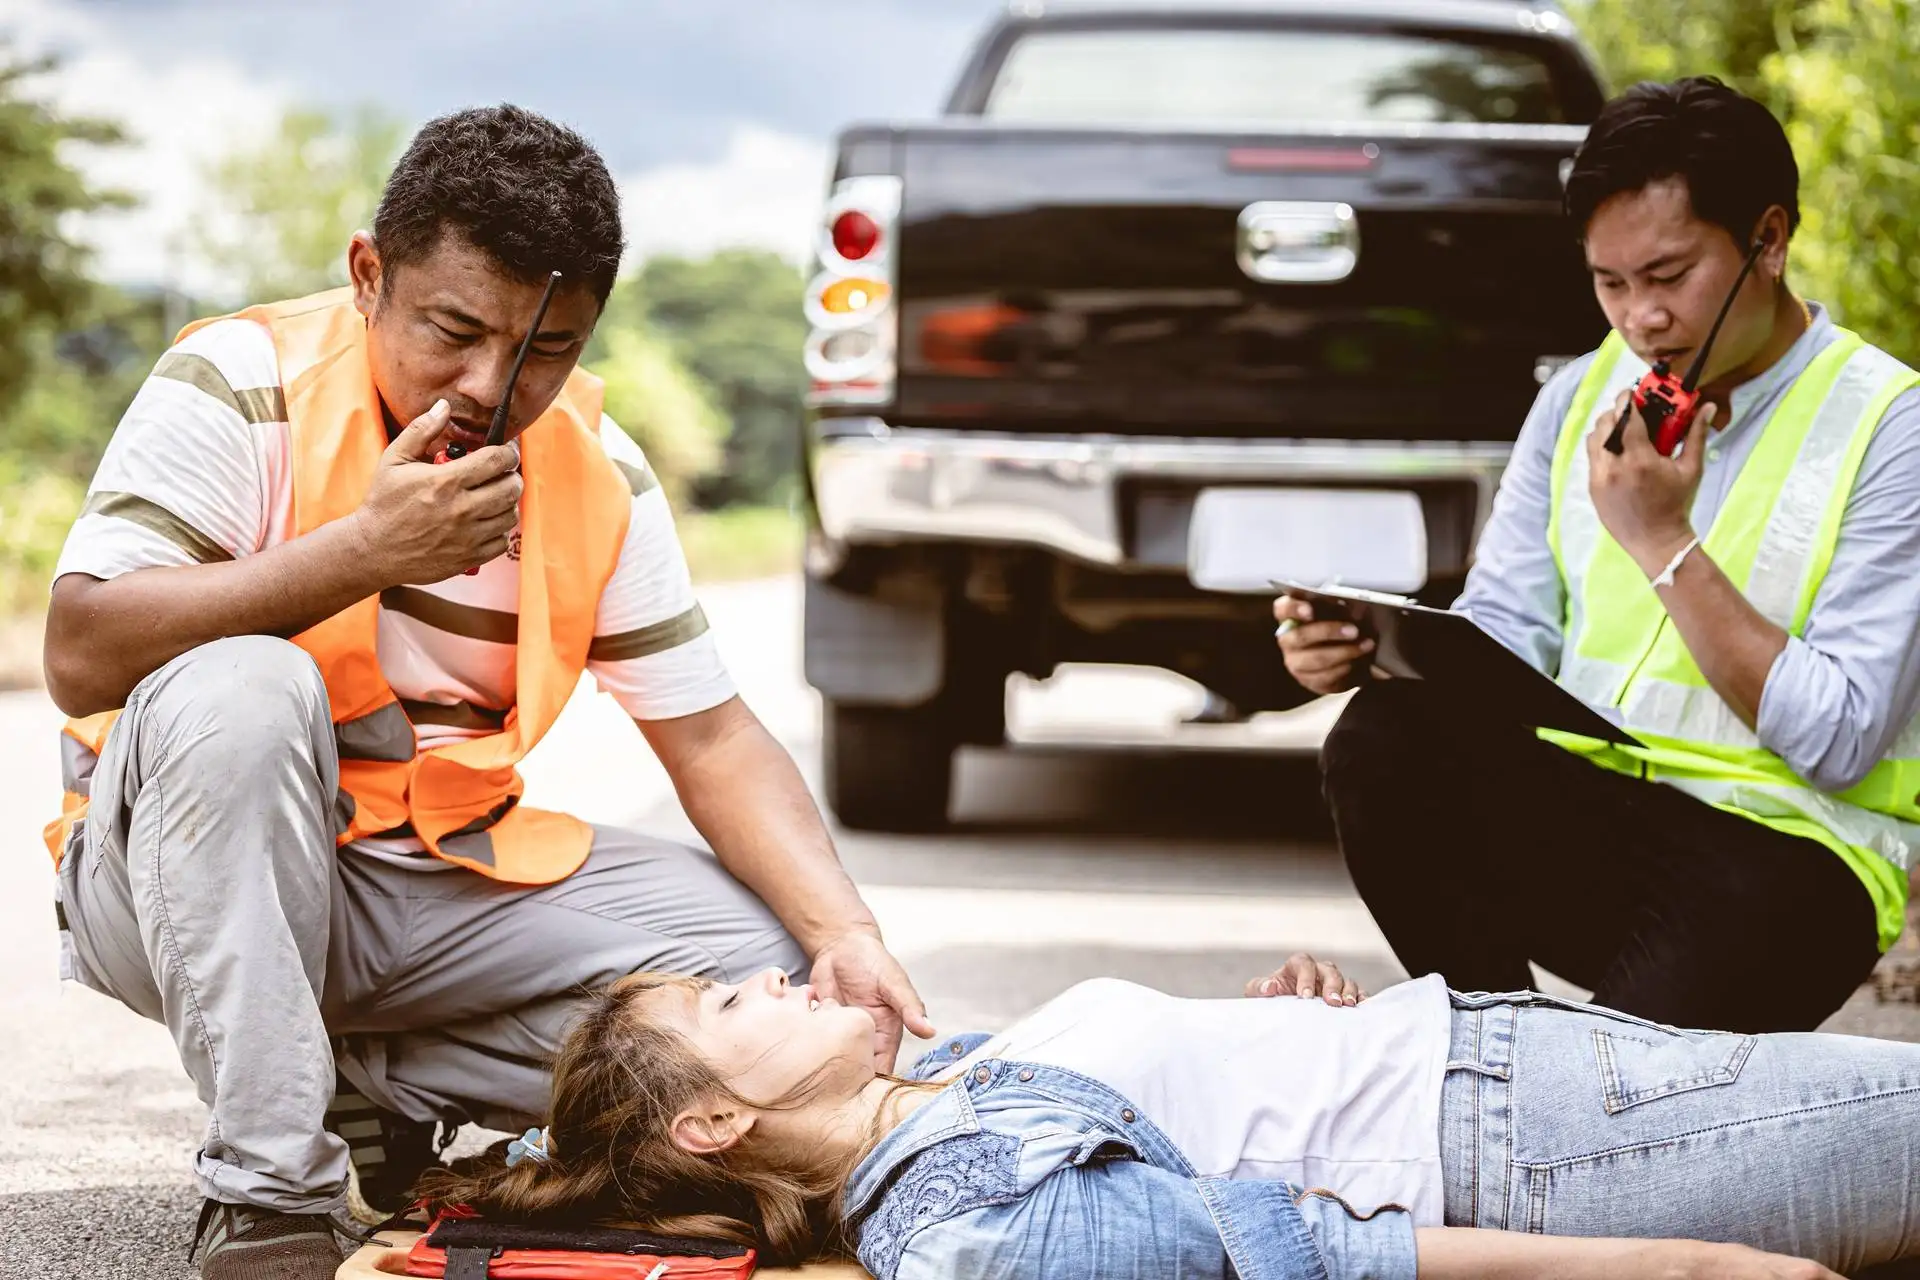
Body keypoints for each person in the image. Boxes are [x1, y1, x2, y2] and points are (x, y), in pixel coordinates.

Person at [39, 104, 931, 1279]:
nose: (489, 386)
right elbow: (81, 647)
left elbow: (710, 733)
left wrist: (844, 932)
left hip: (438, 881)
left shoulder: (598, 470)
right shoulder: (239, 379)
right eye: (453, 329)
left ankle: (363, 1083)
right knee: (246, 689)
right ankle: (271, 1191)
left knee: (762, 976)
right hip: (179, 876)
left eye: (544, 348)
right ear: (370, 275)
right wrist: (360, 553)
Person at [1276, 76, 1920, 1034]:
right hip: (1603, 832)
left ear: (1770, 241)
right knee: (1384, 740)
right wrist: (1372, 653)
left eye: (1668, 277)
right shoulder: (1583, 396)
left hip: (1789, 867)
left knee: (1611, 1111)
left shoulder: (1888, 426)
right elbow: (1501, 645)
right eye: (1609, 283)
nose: (1639, 319)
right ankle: (1501, 1058)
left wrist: (1663, 541)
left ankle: (1535, 1094)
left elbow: (1840, 737)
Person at [414, 954, 1919, 1279]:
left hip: (1518, 1070)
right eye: (734, 1007)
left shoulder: (952, 1091)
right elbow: (1325, 1263)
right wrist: (1702, 1275)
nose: (778, 974)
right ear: (713, 1129)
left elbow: (1192, 1115)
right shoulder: (974, 1223)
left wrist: (1258, 1024)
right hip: (1549, 1155)